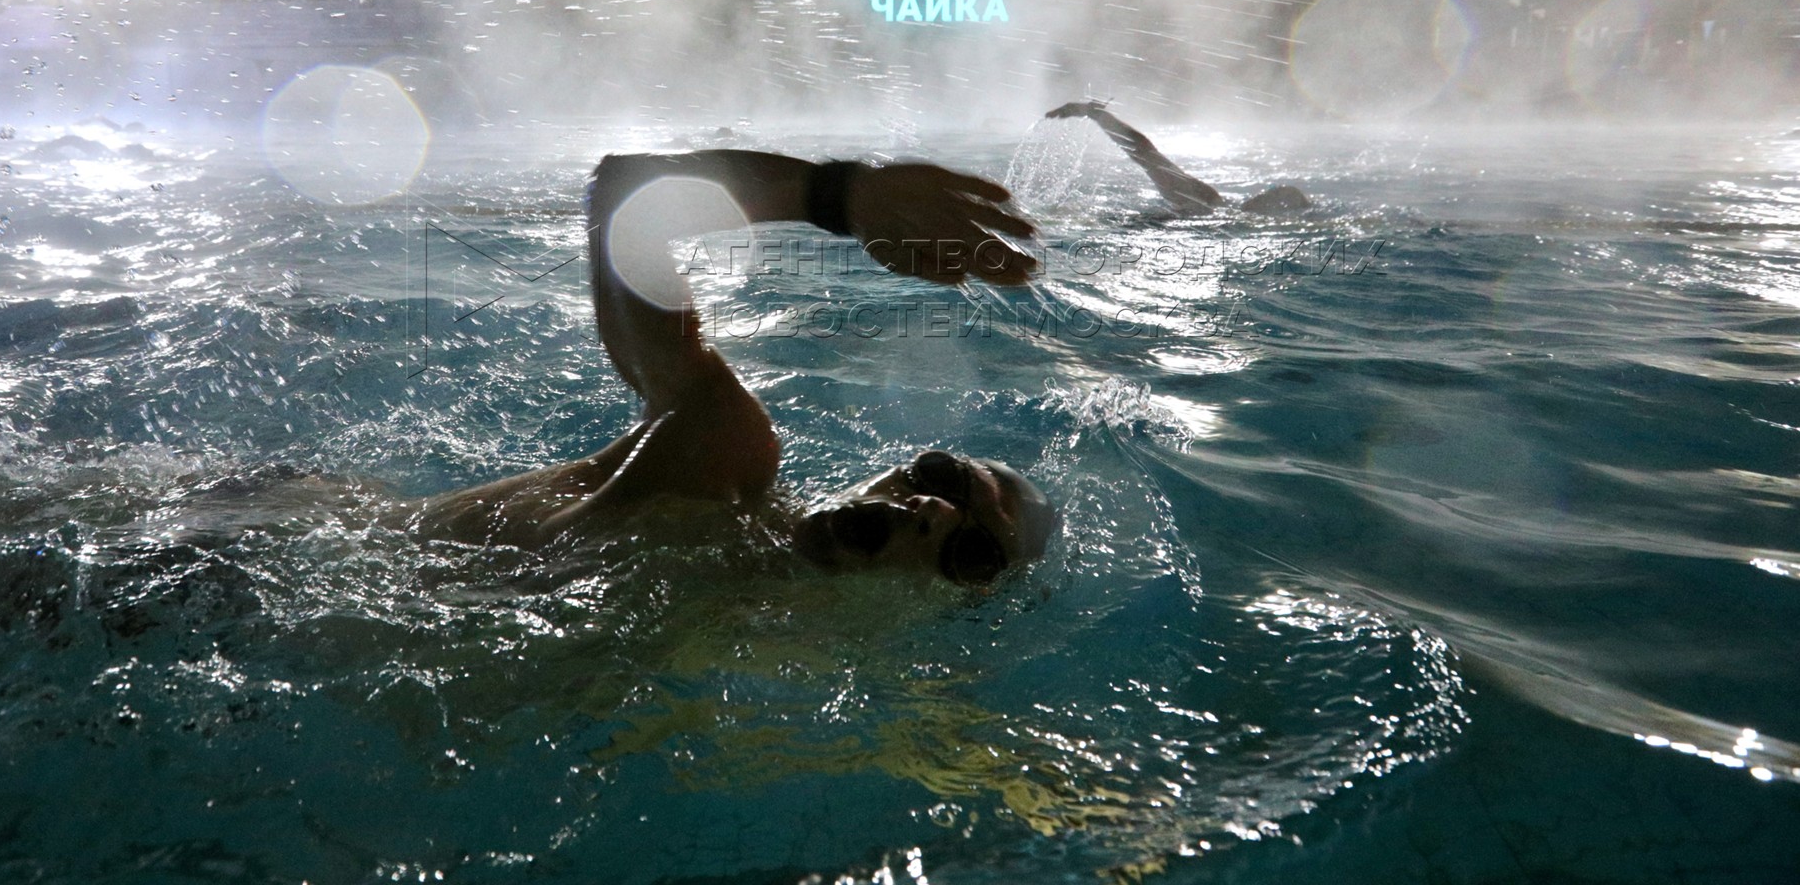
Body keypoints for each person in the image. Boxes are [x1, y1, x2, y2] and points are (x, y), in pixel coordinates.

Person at [418, 150, 1059, 586]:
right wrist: (840, 196)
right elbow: (629, 196)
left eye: (973, 551)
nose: (932, 507)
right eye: (942, 475)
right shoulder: (716, 457)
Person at [1045, 100, 1309, 216]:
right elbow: (1148, 155)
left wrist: (1097, 115)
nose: (1263, 194)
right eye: (1271, 190)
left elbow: (1146, 154)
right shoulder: (1208, 199)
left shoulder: (1204, 201)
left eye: (1273, 194)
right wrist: (1098, 115)